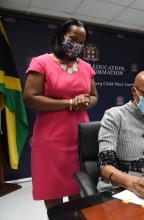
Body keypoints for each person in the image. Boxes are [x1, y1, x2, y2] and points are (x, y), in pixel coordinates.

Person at [23, 18, 98, 210]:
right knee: (54, 196)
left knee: (79, 193)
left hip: (80, 138)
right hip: (51, 139)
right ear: (60, 36)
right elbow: (30, 98)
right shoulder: (41, 62)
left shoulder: (86, 67)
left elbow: (94, 97)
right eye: (73, 39)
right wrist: (71, 102)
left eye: (81, 42)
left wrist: (85, 101)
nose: (77, 45)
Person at [97, 70, 144, 199]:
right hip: (116, 189)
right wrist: (132, 183)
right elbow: (105, 166)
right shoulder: (114, 115)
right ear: (134, 92)